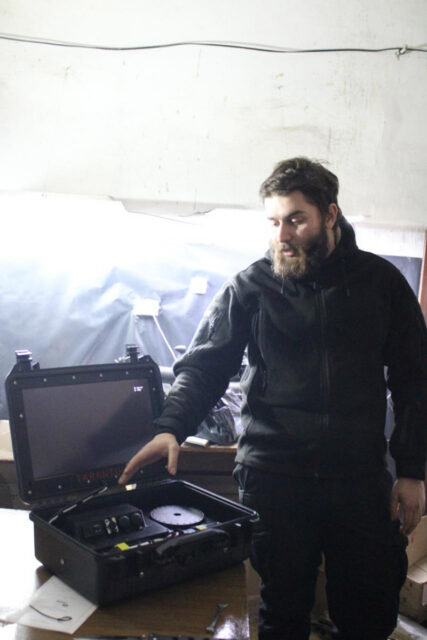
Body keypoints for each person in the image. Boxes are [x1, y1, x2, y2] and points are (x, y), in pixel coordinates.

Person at [119, 157, 426, 640]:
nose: (282, 235)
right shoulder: (251, 287)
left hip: (358, 478)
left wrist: (412, 470)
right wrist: (170, 427)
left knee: (368, 615)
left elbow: (415, 379)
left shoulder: (380, 283)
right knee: (282, 614)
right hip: (275, 478)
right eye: (274, 221)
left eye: (296, 220)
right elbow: (204, 366)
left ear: (330, 214)